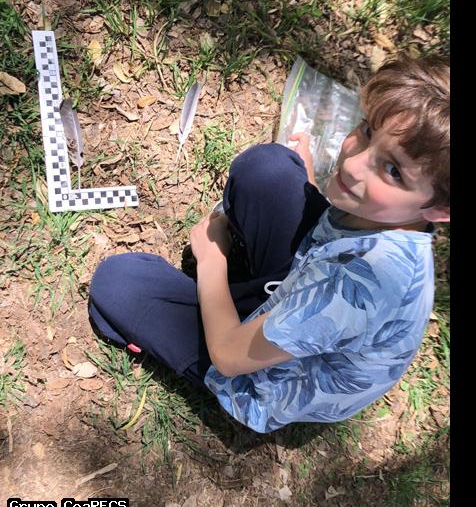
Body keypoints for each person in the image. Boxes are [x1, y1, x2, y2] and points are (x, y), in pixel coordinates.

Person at [88, 54, 449, 434]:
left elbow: (229, 356)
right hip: (305, 287)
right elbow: (335, 247)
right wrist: (311, 185)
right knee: (270, 169)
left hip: (261, 375)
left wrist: (212, 260)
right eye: (367, 131)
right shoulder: (392, 218)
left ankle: (229, 308)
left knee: (119, 282)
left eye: (393, 171)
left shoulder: (357, 287)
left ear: (441, 209)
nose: (352, 164)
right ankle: (255, 289)